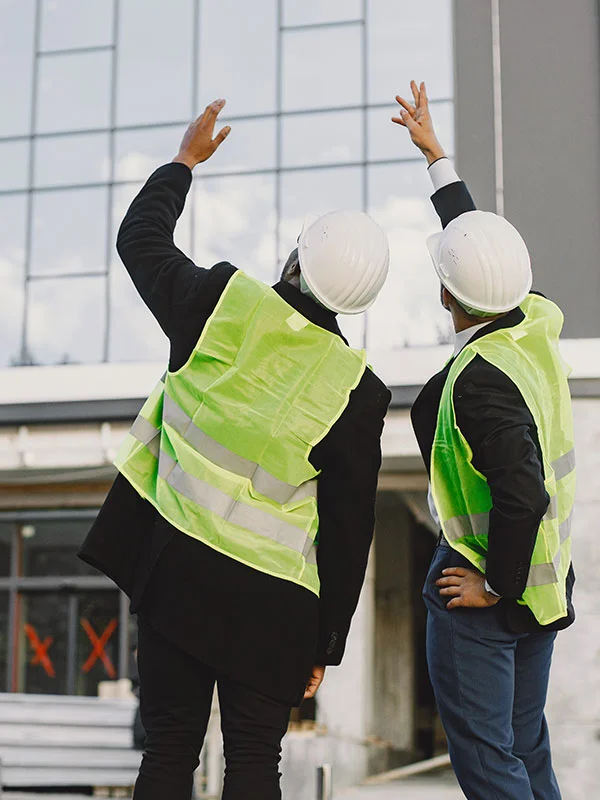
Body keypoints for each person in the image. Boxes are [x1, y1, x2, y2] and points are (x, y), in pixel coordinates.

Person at [79, 99, 392, 800]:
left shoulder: (221, 302)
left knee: (166, 755)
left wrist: (183, 164)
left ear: (295, 258)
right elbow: (349, 532)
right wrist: (326, 644)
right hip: (274, 608)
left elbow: (140, 240)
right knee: (255, 765)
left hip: (176, 577)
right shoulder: (358, 390)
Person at [392, 82, 575, 800]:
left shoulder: (480, 378)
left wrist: (493, 582)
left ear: (446, 296)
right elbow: (479, 251)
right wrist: (437, 157)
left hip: (491, 590)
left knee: (490, 762)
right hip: (545, 585)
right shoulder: (529, 319)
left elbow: (521, 491)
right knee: (525, 749)